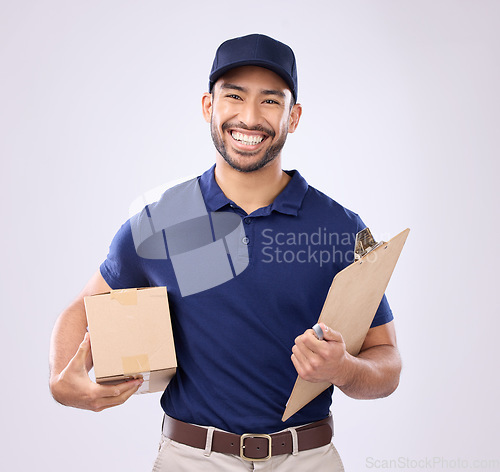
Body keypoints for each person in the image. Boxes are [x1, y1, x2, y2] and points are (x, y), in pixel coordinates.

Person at [49, 34, 402, 471]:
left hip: (306, 459)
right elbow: (81, 311)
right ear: (208, 107)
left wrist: (343, 368)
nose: (249, 118)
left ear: (294, 117)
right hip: (190, 459)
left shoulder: (339, 227)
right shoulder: (163, 220)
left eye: (270, 101)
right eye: (233, 96)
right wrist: (62, 383)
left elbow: (387, 363)